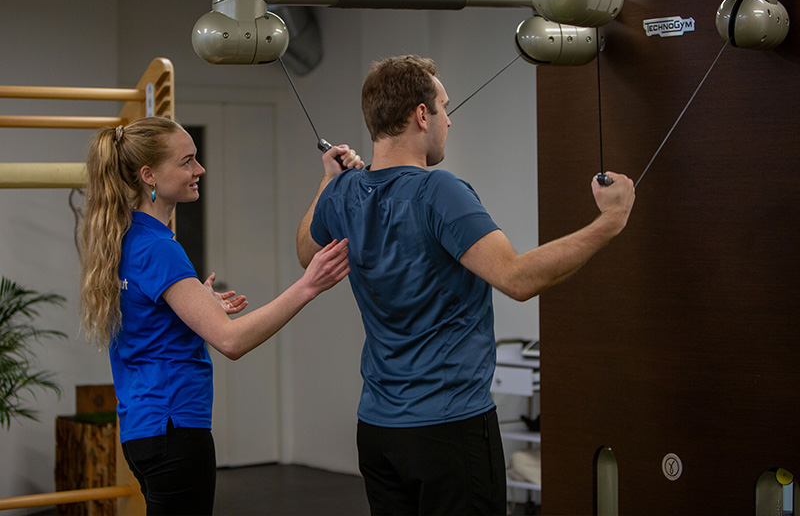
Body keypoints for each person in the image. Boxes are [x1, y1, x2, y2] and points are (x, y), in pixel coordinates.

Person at [296, 55, 636, 516]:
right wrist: (610, 221)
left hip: (378, 431)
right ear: (421, 115)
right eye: (443, 106)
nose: (449, 120)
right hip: (448, 430)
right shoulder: (439, 190)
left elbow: (305, 254)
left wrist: (327, 184)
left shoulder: (343, 192)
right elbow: (517, 279)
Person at [79, 116, 362, 515]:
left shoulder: (131, 240)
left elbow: (148, 320)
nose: (200, 169)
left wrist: (195, 301)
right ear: (149, 175)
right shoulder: (159, 249)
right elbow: (230, 341)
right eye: (187, 161)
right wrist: (308, 285)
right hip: (173, 428)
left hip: (145, 427)